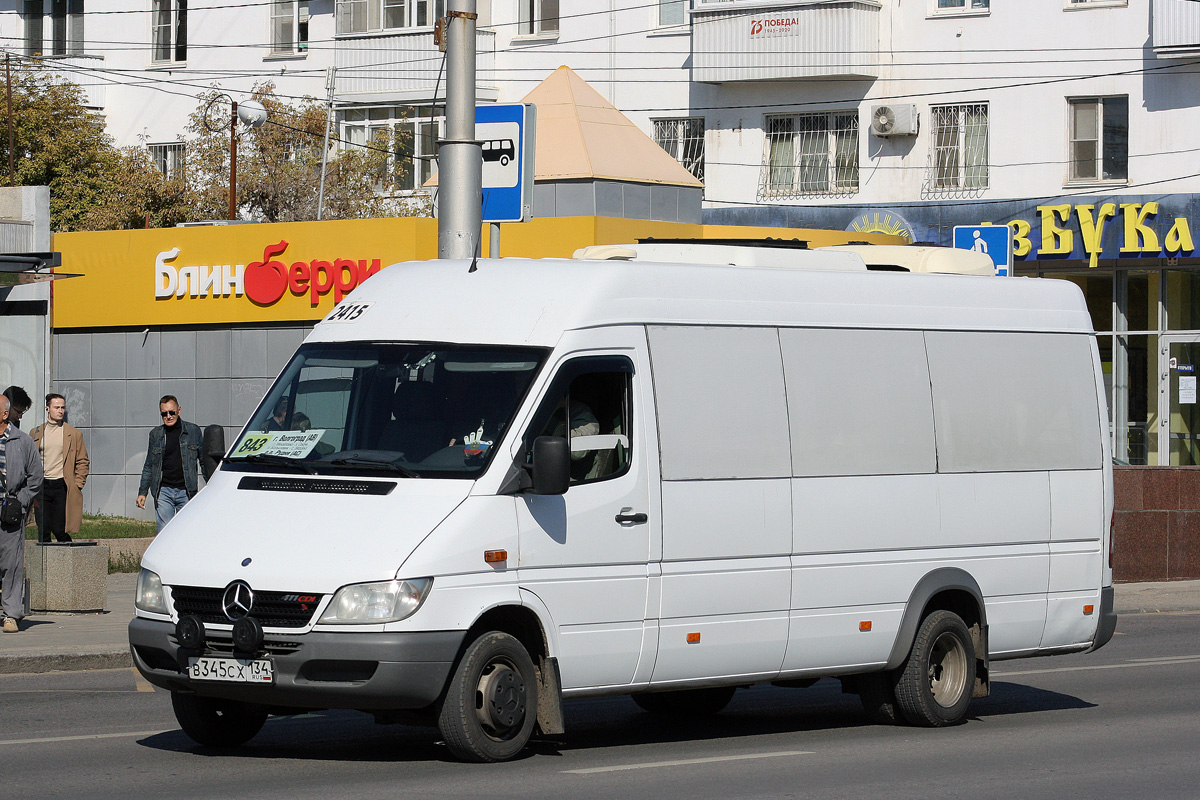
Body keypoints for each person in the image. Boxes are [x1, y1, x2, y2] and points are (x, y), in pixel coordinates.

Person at [0, 394, 44, 633]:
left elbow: (36, 477)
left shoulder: (22, 441)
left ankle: (11, 614)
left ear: (5, 414)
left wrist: (21, 501)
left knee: (12, 564)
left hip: (10, 511)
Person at [136, 395, 202, 532]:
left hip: (187, 491)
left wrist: (213, 487)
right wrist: (142, 492)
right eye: (164, 414)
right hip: (163, 491)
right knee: (164, 532)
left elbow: (204, 462)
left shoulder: (193, 431)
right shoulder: (155, 434)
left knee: (186, 531)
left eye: (172, 412)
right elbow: (149, 465)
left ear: (179, 410)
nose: (168, 416)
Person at [30, 394, 90, 544]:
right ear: (47, 408)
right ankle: (46, 559)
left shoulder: (74, 434)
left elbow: (83, 461)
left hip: (62, 485)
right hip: (42, 486)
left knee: (59, 529)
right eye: (56, 407)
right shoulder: (36, 432)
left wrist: (77, 484)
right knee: (43, 529)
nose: (60, 411)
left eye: (63, 407)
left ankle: (70, 556)